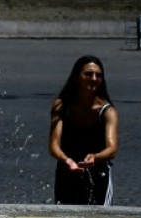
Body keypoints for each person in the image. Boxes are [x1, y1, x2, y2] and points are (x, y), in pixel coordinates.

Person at [49, 55, 119, 205]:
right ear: (76, 77)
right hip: (67, 171)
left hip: (97, 173)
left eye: (98, 75)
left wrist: (95, 157)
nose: (94, 78)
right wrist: (66, 160)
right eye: (88, 74)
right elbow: (54, 145)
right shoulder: (61, 106)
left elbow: (112, 149)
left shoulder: (107, 112)